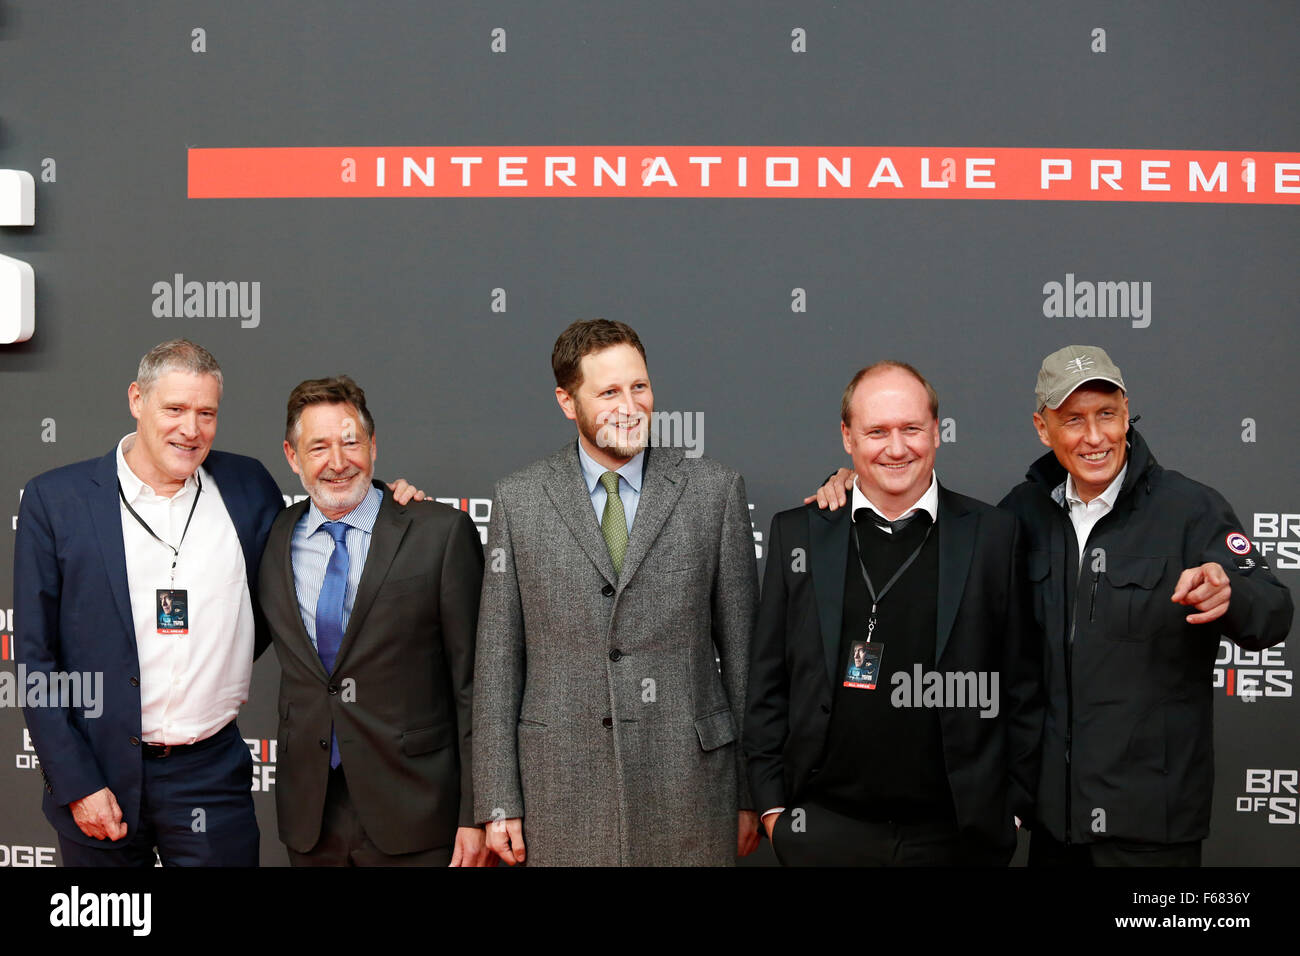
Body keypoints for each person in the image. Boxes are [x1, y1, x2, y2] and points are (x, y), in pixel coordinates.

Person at [811, 346, 1294, 866]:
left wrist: (1230, 593)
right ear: (1043, 428)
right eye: (1073, 420)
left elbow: (1272, 612)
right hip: (1050, 826)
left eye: (1107, 415)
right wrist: (855, 486)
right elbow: (933, 544)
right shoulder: (1021, 513)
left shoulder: (1191, 508)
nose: (1094, 437)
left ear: (1126, 413)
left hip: (1152, 824)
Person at [473, 319, 760, 865]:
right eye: (608, 392)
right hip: (559, 792)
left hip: (693, 787)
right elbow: (497, 662)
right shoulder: (519, 499)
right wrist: (497, 799)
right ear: (566, 400)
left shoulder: (714, 491)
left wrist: (751, 790)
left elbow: (744, 655)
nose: (630, 406)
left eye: (639, 386)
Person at [749, 361, 1040, 865]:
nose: (897, 447)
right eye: (877, 431)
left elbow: (1023, 684)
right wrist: (775, 812)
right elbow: (768, 681)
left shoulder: (994, 536)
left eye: (911, 429)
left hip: (955, 836)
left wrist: (1010, 807)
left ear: (937, 432)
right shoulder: (798, 534)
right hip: (824, 831)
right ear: (847, 437)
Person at [15, 339, 285, 865]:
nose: (191, 429)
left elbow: (297, 565)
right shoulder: (57, 501)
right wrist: (74, 783)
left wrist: (389, 502)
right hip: (98, 772)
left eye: (206, 413)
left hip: (210, 773)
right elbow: (34, 659)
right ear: (137, 399)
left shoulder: (247, 485)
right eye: (176, 409)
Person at [257, 376, 488, 866]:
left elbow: (475, 687)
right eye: (318, 446)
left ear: (374, 446)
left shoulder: (439, 534)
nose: (337, 462)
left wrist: (477, 813)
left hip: (417, 811)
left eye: (350, 442)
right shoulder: (274, 538)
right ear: (292, 456)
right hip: (312, 817)